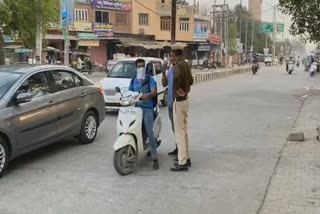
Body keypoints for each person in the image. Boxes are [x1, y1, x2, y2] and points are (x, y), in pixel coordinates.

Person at [129, 58, 159, 170]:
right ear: (136, 68)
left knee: (149, 132)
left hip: (148, 108)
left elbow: (154, 91)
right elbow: (129, 92)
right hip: (136, 109)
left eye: (142, 66)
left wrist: (147, 95)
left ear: (145, 68)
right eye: (139, 66)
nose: (140, 68)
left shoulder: (149, 79)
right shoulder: (133, 80)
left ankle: (155, 158)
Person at [170, 44, 194, 172]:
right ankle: (186, 157)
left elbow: (174, 78)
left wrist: (177, 89)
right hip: (186, 100)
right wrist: (184, 89)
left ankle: (182, 161)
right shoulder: (186, 64)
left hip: (179, 102)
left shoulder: (178, 65)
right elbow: (191, 81)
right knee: (184, 131)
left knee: (179, 133)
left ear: (174, 53)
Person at [162, 55, 177, 156]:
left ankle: (181, 151)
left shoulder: (179, 69)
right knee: (174, 127)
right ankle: (177, 147)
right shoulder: (171, 70)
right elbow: (164, 84)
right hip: (170, 103)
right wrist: (163, 71)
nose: (171, 59)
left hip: (177, 103)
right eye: (170, 57)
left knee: (179, 128)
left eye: (173, 57)